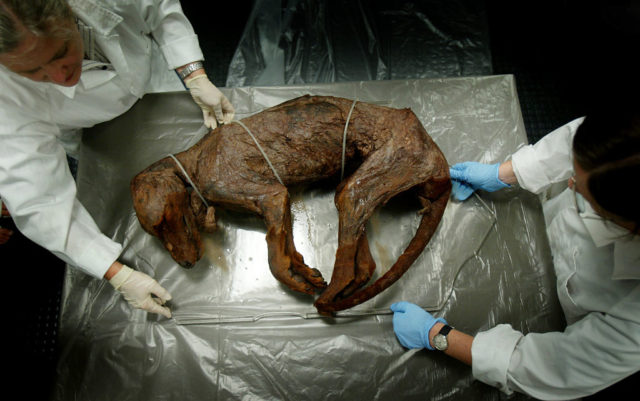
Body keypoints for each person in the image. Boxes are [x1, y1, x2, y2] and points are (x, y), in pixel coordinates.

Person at [390, 98, 640, 399]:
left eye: (586, 194)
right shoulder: (626, 136)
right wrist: (505, 173)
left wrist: (439, 337)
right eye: (575, 174)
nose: (570, 184)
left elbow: (558, 368)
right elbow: (578, 144)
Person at [0, 0, 235, 318]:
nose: (59, 76)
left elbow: (159, 9)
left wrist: (193, 75)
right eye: (32, 72)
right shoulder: (6, 96)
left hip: (153, 80)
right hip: (88, 124)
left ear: (70, 11)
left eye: (61, 53)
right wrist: (116, 272)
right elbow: (38, 199)